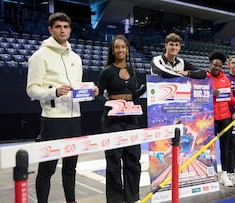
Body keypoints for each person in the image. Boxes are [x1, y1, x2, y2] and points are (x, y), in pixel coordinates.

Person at [26, 12, 99, 203]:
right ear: (50, 29)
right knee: (47, 169)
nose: (62, 30)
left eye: (66, 27)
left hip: (75, 119)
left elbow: (77, 89)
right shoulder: (39, 56)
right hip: (53, 120)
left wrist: (90, 92)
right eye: (58, 26)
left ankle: (71, 201)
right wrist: (54, 92)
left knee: (70, 167)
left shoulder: (76, 57)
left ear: (70, 30)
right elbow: (31, 90)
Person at [96, 35, 146, 203]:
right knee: (114, 161)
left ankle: (132, 198)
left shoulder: (132, 71)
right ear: (113, 50)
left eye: (123, 47)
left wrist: (147, 87)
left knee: (133, 159)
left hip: (131, 120)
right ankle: (115, 200)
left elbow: (134, 95)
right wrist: (110, 104)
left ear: (127, 49)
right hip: (112, 121)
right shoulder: (107, 71)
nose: (120, 50)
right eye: (117, 47)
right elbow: (98, 94)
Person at [206, 50, 235, 187]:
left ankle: (224, 174)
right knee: (208, 148)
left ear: (222, 66)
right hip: (210, 118)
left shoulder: (225, 80)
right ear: (210, 64)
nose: (216, 68)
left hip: (225, 118)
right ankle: (208, 175)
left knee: (226, 147)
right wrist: (208, 92)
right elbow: (195, 94)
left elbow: (229, 98)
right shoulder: (204, 78)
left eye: (219, 66)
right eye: (214, 65)